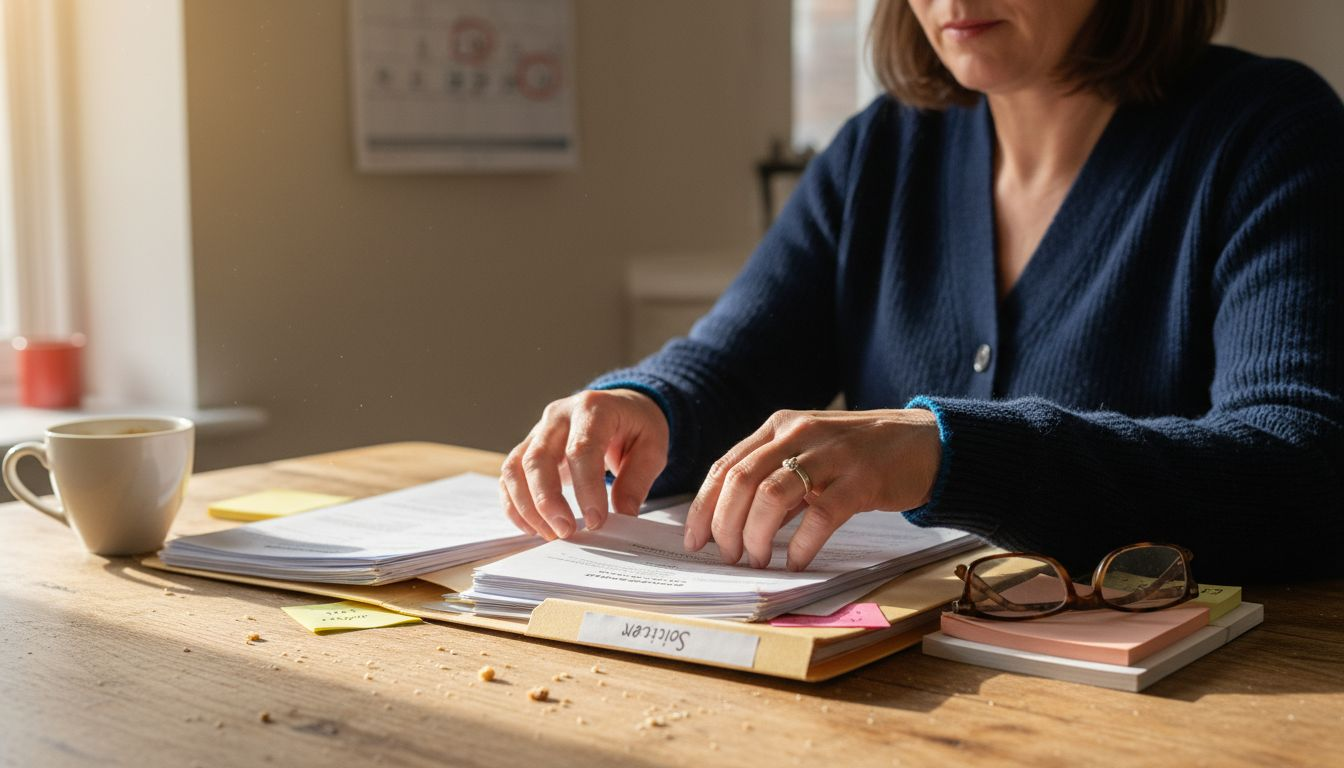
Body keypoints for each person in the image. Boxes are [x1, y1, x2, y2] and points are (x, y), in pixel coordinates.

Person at [499, 0, 1344, 582]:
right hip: (899, 689)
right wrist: (643, 405)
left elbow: (1301, 469)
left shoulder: (1270, 134)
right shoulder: (881, 149)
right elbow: (733, 365)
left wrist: (941, 449)